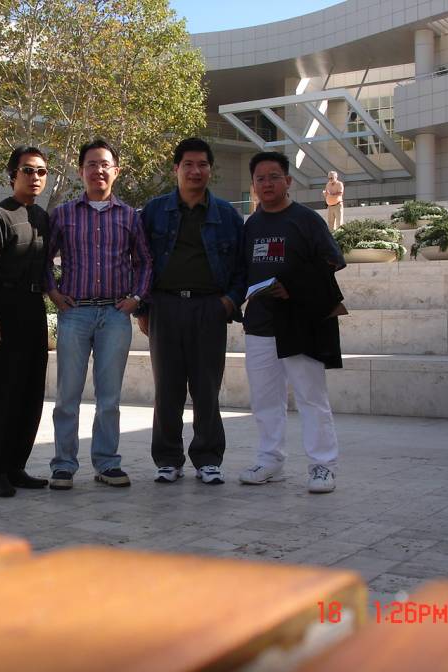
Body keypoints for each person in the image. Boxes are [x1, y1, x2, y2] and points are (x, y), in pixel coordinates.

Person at [45, 139, 153, 490]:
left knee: (109, 397)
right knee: (68, 395)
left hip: (114, 315)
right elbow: (44, 258)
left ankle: (107, 463)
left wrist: (137, 297)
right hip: (75, 314)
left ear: (116, 171)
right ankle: (63, 464)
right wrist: (54, 293)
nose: (99, 170)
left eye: (105, 164)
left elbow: (145, 262)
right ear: (81, 171)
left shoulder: (129, 216)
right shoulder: (62, 214)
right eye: (91, 164)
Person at [139, 137, 246, 485]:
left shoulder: (228, 215)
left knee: (206, 386)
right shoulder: (154, 211)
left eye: (202, 165)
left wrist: (228, 302)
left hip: (209, 308)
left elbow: (242, 267)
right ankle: (168, 459)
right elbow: (139, 261)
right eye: (188, 165)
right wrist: (142, 306)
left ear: (210, 170)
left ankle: (208, 457)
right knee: (167, 387)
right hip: (165, 306)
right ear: (176, 169)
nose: (195, 171)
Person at [242, 151, 345, 494]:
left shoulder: (306, 220)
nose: (267, 184)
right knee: (265, 399)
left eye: (274, 177)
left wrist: (294, 285)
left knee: (311, 398)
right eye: (260, 178)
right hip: (260, 324)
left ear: (287, 181)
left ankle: (322, 465)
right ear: (254, 185)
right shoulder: (252, 225)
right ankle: (270, 459)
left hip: (300, 323)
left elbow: (332, 260)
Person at [0, 145, 51, 498]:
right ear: (13, 175)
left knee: (31, 391)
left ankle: (18, 466)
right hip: (3, 309)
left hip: (34, 309)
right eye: (28, 170)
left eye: (41, 172)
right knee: (3, 392)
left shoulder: (43, 219)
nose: (35, 177)